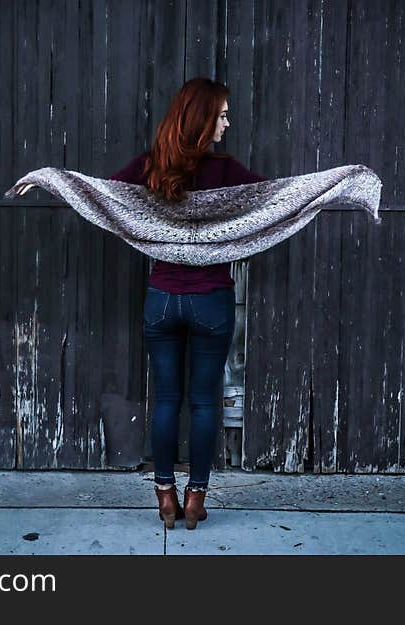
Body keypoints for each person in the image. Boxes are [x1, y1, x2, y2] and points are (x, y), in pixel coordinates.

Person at [108, 77, 266, 529]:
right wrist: (332, 186)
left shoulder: (149, 167)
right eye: (221, 115)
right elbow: (274, 202)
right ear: (201, 119)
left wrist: (58, 182)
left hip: (162, 300)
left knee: (165, 401)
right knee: (203, 403)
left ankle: (163, 493)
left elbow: (106, 198)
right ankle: (195, 498)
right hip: (212, 302)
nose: (227, 123)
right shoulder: (227, 172)